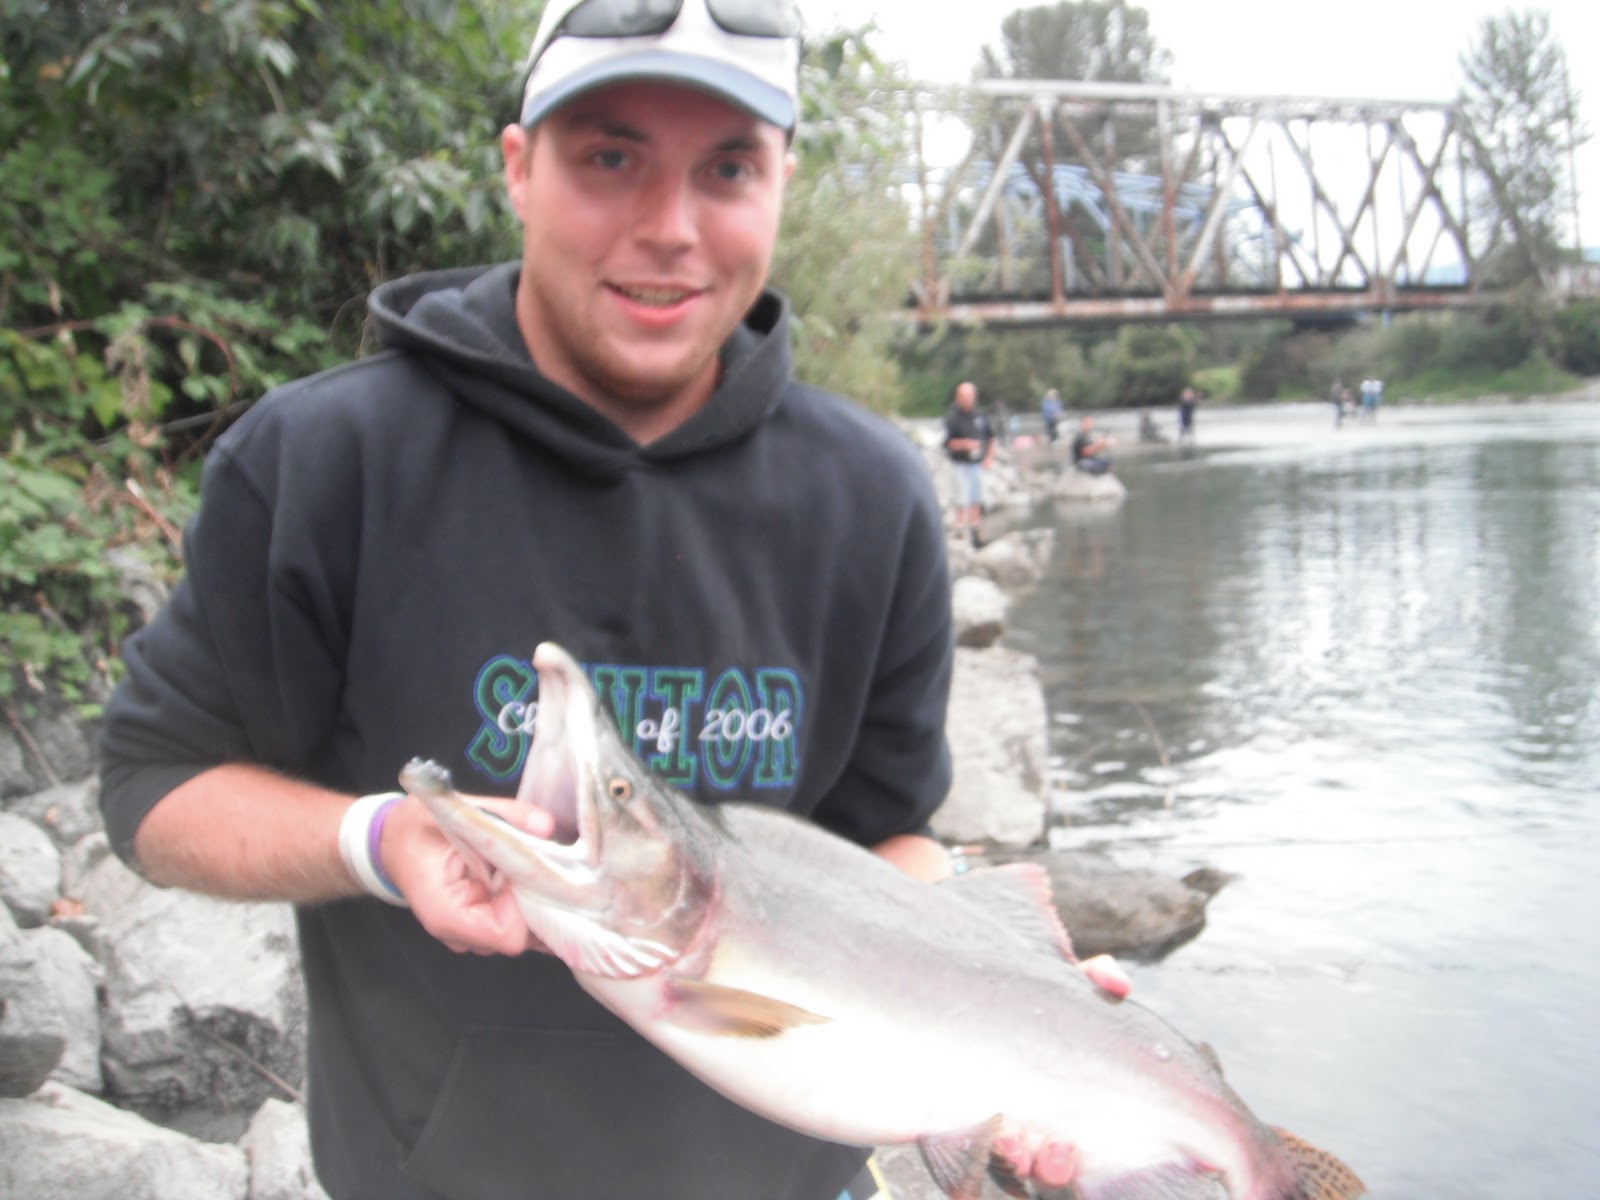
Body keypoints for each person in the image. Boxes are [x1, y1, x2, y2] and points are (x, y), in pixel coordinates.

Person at [93, 4, 967, 1198]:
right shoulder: (319, 463)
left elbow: (895, 844)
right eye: (610, 158)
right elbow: (152, 789)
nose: (668, 230)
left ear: (783, 185)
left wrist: (1003, 987)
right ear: (517, 168)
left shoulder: (871, 496)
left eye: (726, 169)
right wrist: (381, 843)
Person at [942, 379, 995, 536]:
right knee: (960, 496)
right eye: (963, 396)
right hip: (960, 463)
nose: (967, 399)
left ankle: (975, 527)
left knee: (977, 496)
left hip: (977, 464)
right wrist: (965, 444)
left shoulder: (980, 415)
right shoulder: (952, 418)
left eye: (969, 396)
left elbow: (991, 438)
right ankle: (960, 528)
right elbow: (946, 442)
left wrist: (990, 457)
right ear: (958, 397)